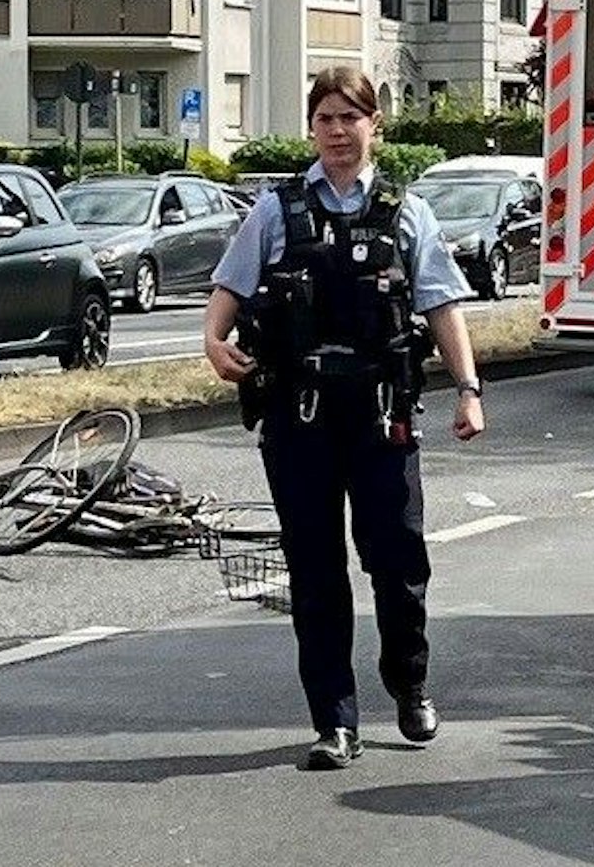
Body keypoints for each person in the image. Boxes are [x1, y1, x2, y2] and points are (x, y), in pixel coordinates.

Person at [202, 65, 485, 772]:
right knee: (316, 571)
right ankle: (334, 720)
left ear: (373, 126)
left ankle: (409, 683)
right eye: (325, 118)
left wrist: (469, 388)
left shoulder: (405, 211)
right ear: (312, 127)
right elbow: (229, 286)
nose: (337, 131)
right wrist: (214, 340)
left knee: (397, 560)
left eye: (349, 118)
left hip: (381, 414)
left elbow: (443, 306)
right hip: (301, 419)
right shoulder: (277, 209)